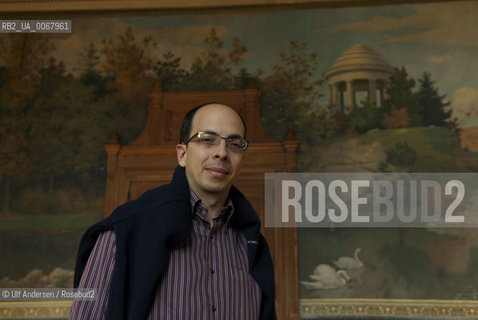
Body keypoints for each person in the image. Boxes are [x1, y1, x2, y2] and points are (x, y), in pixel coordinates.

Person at [70, 103, 276, 320]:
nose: (222, 153)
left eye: (234, 144)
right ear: (182, 154)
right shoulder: (121, 233)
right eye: (207, 139)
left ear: (242, 159)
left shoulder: (253, 245)